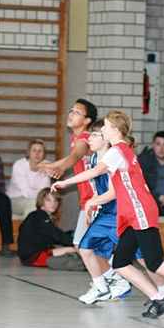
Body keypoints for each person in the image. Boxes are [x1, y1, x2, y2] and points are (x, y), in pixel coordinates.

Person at [54, 110, 164, 320]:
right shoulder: (121, 152)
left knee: (155, 262)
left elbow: (95, 172)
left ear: (114, 129)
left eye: (104, 126)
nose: (102, 130)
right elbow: (115, 190)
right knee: (120, 262)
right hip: (131, 215)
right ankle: (159, 300)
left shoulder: (117, 152)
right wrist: (93, 202)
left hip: (139, 211)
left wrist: (65, 182)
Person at [53, 121, 164, 306]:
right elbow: (96, 188)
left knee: (143, 258)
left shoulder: (114, 158)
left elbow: (113, 193)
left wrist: (91, 201)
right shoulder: (93, 159)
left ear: (106, 140)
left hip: (122, 213)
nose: (89, 138)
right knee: (85, 247)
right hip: (105, 212)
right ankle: (105, 284)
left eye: (95, 135)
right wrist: (92, 205)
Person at [38, 98, 97, 246]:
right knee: (85, 246)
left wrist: (61, 168)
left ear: (87, 120)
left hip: (95, 200)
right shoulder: (76, 138)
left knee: (82, 245)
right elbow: (71, 157)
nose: (71, 114)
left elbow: (76, 156)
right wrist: (51, 165)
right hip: (88, 200)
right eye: (71, 110)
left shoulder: (85, 138)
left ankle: (113, 269)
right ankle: (111, 269)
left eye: (77, 112)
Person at [17, 188, 78, 267]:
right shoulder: (40, 215)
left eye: (55, 200)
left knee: (71, 247)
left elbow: (52, 236)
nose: (53, 204)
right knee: (74, 250)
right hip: (35, 257)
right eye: (48, 200)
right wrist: (78, 244)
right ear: (41, 201)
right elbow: (57, 235)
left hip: (30, 257)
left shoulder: (37, 216)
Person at [7, 139, 51, 218]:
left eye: (40, 151)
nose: (37, 154)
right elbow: (26, 192)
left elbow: (45, 191)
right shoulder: (19, 165)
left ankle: (39, 230)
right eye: (34, 150)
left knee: (46, 207)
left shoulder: (46, 166)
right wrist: (42, 201)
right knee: (33, 205)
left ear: (44, 154)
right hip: (14, 200)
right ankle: (28, 230)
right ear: (28, 153)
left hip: (35, 200)